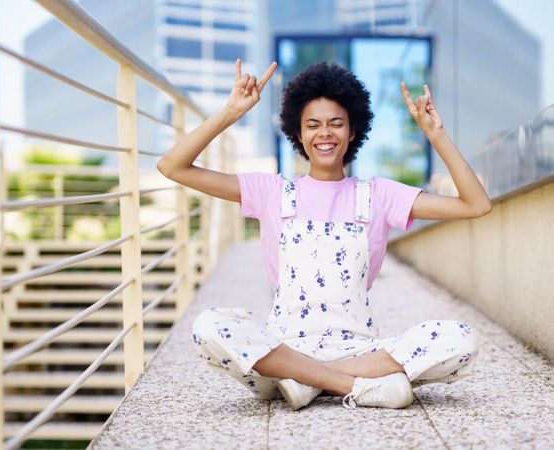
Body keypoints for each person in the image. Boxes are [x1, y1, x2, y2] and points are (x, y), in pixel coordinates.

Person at [157, 59, 492, 411]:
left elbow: (475, 205)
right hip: (280, 350)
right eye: (313, 125)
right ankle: (347, 386)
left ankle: (307, 383)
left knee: (461, 339)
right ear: (298, 135)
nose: (325, 133)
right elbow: (172, 166)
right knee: (209, 325)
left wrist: (435, 134)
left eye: (336, 123)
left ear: (352, 131)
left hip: (359, 353)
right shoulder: (270, 190)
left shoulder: (379, 194)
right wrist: (231, 112)